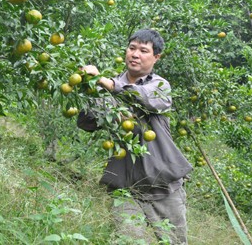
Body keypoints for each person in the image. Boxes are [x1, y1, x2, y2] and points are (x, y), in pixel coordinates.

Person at [77, 28, 193, 244]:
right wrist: (88, 90)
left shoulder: (159, 86)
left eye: (143, 50)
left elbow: (145, 98)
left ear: (156, 57)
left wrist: (109, 84)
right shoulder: (106, 86)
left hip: (163, 187)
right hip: (125, 187)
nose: (135, 54)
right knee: (128, 241)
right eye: (132, 48)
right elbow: (86, 123)